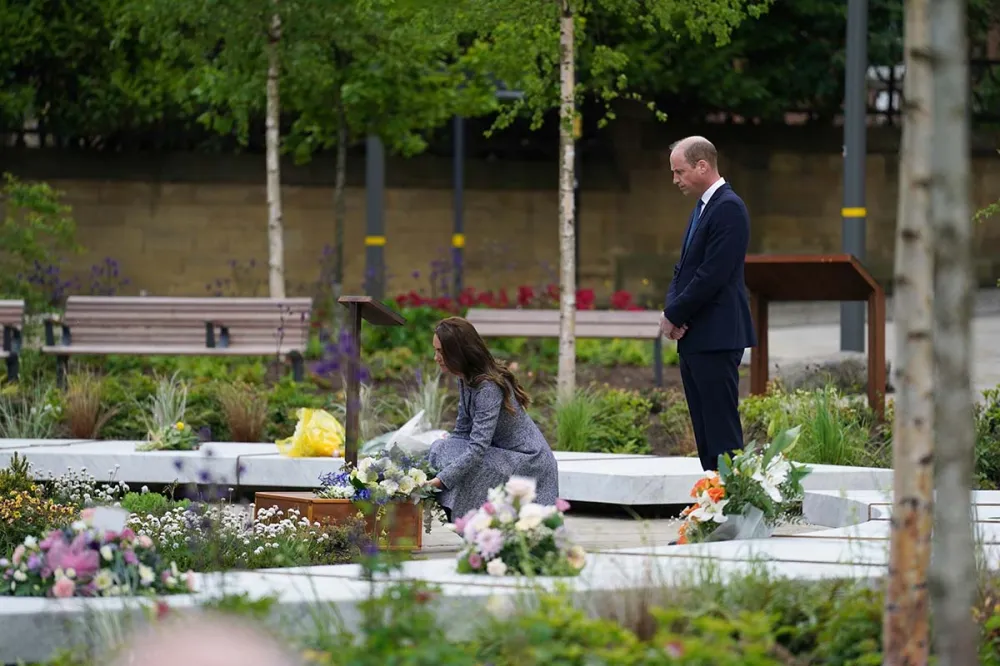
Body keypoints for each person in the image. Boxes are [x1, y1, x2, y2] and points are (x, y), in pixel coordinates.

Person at [660, 136, 757, 471]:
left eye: (679, 171)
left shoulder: (728, 208)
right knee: (704, 431)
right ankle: (712, 503)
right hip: (696, 336)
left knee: (721, 431)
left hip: (716, 336)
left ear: (702, 165)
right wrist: (671, 311)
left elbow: (712, 274)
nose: (675, 180)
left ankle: (733, 507)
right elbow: (684, 267)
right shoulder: (703, 207)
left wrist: (675, 313)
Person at [426, 316, 559, 521]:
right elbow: (462, 431)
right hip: (501, 452)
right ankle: (461, 515)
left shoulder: (487, 388)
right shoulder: (465, 378)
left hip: (526, 460)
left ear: (458, 352)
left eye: (441, 352)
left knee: (457, 460)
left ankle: (470, 519)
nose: (436, 357)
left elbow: (477, 448)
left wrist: (441, 480)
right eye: (436, 351)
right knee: (440, 448)